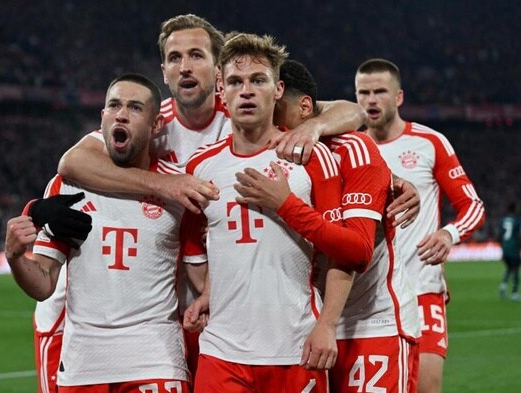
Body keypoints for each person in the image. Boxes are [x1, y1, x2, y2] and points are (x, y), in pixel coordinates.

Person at [30, 13, 367, 391]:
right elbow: (73, 163)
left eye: (196, 55)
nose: (185, 67)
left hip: (255, 323)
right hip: (174, 319)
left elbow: (350, 111)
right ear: (165, 70)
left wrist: (315, 129)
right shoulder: (151, 120)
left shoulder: (256, 115)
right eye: (175, 58)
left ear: (216, 69)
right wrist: (167, 186)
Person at [181, 32, 372, 393]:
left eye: (258, 80)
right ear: (222, 91)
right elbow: (191, 241)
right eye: (236, 82)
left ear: (278, 89)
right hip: (222, 352)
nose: (247, 91)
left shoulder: (311, 158)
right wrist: (208, 289)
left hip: (295, 347)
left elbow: (344, 253)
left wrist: (327, 325)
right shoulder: (201, 165)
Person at [5, 73, 199, 392]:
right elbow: (43, 282)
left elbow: (199, 268)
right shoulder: (67, 186)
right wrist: (14, 257)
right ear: (103, 118)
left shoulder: (179, 189)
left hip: (154, 360)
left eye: (135, 107)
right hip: (83, 364)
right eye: (114, 105)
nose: (121, 113)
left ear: (156, 125)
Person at [236, 59, 421, 392]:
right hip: (301, 327)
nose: (267, 117)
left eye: (276, 108)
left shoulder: (353, 150)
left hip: (371, 323)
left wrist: (286, 205)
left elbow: (357, 250)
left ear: (304, 107)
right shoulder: (257, 152)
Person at [353, 59, 486, 393]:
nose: (371, 100)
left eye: (380, 92)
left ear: (398, 97)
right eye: (363, 93)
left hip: (422, 291)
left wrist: (448, 233)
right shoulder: (349, 149)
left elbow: (472, 205)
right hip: (370, 298)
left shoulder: (430, 143)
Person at [498, 202, 520, 301]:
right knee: (515, 269)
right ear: (515, 209)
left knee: (509, 268)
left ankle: (503, 285)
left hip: (505, 248)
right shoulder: (517, 221)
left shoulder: (503, 220)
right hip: (513, 248)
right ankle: (515, 292)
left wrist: (502, 248)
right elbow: (519, 235)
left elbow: (500, 236)